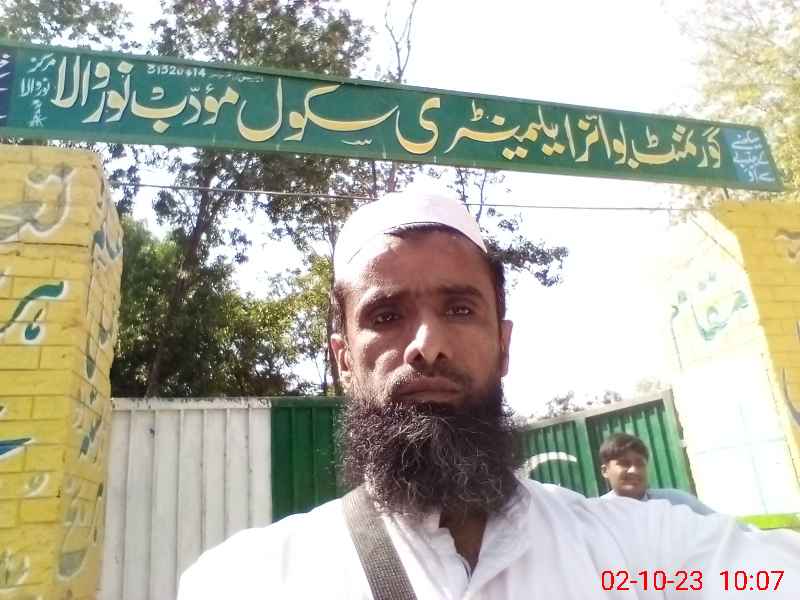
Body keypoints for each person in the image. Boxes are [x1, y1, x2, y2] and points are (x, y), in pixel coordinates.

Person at [178, 191, 800, 599]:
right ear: (344, 360)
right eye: (386, 316)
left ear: (503, 345)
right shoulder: (253, 580)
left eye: (459, 309)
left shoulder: (633, 558)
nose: (427, 345)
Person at [599, 432, 717, 515]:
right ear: (605, 471)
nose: (634, 470)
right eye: (624, 463)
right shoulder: (599, 513)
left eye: (640, 464)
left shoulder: (678, 502)